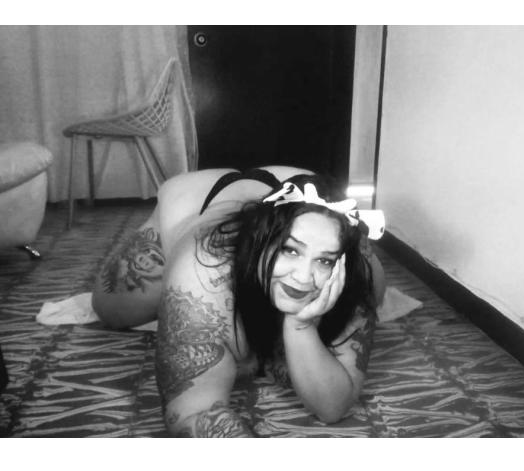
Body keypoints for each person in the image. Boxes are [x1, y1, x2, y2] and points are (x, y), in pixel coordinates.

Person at [92, 166, 386, 437]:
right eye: (290, 250)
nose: (303, 277)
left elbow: (333, 407)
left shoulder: (356, 270)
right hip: (195, 200)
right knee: (112, 310)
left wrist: (301, 326)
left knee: (373, 287)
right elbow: (192, 411)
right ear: (260, 241)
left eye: (324, 260)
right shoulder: (206, 267)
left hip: (300, 184)